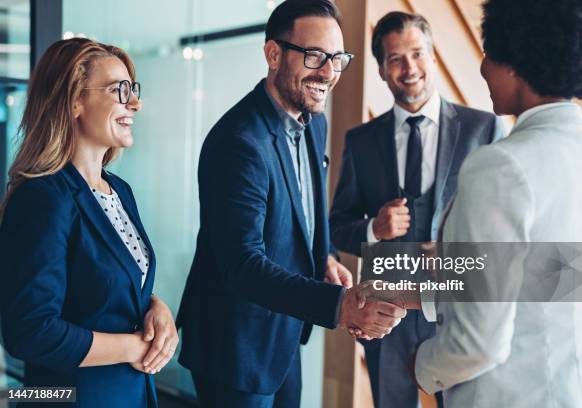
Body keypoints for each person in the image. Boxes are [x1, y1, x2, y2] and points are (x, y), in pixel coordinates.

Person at [176, 1, 407, 407]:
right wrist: (340, 308)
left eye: (337, 59)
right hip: (236, 347)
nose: (328, 73)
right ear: (273, 53)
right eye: (315, 56)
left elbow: (302, 215)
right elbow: (242, 266)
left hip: (283, 335)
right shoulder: (239, 143)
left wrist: (326, 259)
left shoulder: (312, 119)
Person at [411, 0, 582, 406]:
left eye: (489, 54)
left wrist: (422, 365)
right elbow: (553, 283)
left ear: (518, 60)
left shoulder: (500, 165)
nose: (483, 68)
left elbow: (477, 343)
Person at [329, 12, 504, 408]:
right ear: (381, 70)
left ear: (433, 56)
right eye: (395, 59)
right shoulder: (361, 141)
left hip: (458, 310)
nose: (409, 68)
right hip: (384, 314)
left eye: (417, 54)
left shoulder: (484, 129)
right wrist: (374, 228)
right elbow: (336, 227)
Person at [0, 38, 179, 407]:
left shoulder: (119, 190)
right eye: (120, 90)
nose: (135, 103)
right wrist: (134, 346)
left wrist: (155, 307)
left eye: (134, 89)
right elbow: (30, 331)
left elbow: (101, 282)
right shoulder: (42, 197)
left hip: (130, 394)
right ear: (75, 101)